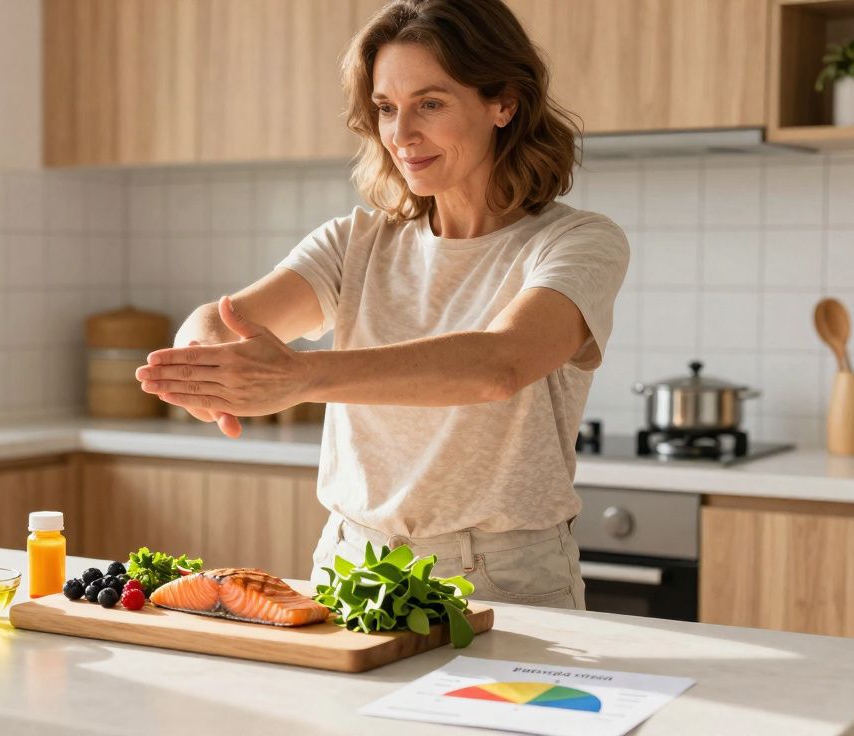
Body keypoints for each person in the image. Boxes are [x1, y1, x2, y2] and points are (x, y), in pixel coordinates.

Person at [135, 0, 628, 610]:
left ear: (504, 103)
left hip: (502, 575)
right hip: (350, 562)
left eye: (430, 103)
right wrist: (201, 362)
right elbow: (224, 319)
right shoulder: (356, 242)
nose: (401, 134)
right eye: (387, 108)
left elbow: (499, 365)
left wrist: (301, 378)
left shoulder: (577, 241)